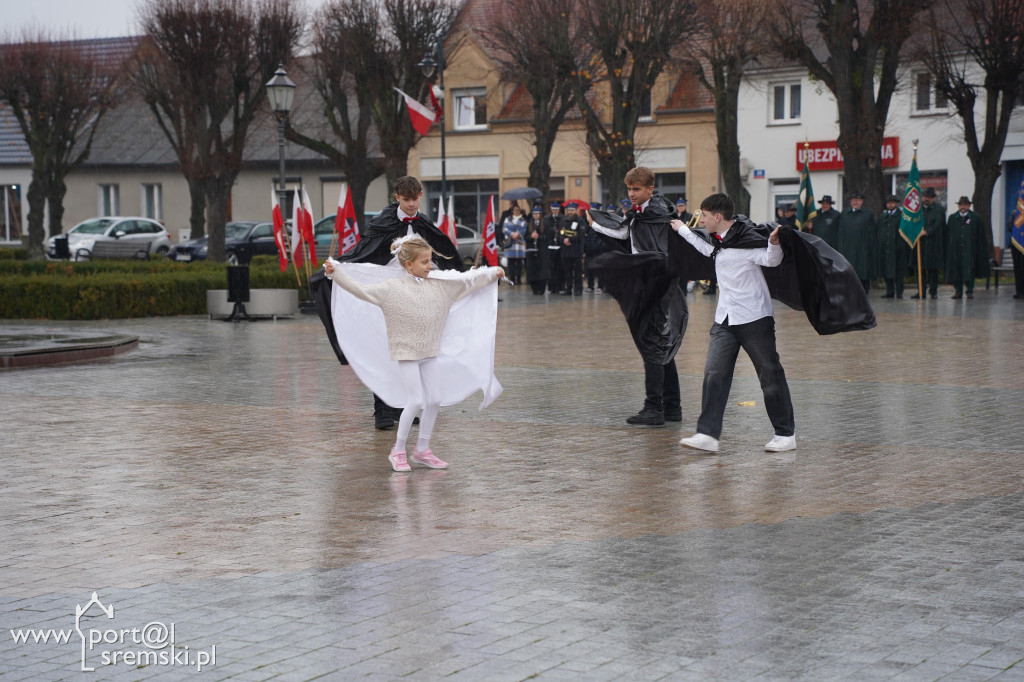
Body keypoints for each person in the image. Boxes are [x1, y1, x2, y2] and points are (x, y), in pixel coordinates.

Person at [323, 236, 504, 472]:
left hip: (429, 352)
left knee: (435, 399)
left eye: (430, 260)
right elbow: (360, 290)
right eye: (425, 261)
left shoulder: (440, 287)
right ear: (409, 265)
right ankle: (397, 451)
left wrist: (492, 274)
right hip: (407, 352)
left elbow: (466, 282)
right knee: (416, 399)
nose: (430, 265)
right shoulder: (391, 289)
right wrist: (335, 273)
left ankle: (422, 449)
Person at [312, 176, 463, 431]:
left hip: (413, 296)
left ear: (421, 196)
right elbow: (361, 252)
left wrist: (462, 276)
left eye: (415, 199)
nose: (412, 204)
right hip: (385, 293)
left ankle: (401, 405)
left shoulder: (423, 222)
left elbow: (441, 254)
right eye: (407, 200)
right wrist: (337, 267)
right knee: (382, 347)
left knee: (408, 349)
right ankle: (381, 408)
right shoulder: (383, 222)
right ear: (397, 199)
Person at [670, 193, 794, 453]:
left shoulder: (747, 240)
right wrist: (682, 229)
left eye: (703, 216)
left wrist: (773, 244)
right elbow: (708, 250)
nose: (700, 220)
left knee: (769, 375)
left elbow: (772, 260)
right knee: (714, 373)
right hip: (724, 320)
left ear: (717, 216)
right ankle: (708, 434)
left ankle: (785, 434)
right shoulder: (718, 243)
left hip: (755, 319)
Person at [585, 166, 685, 426]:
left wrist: (597, 225)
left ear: (650, 189)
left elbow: (656, 251)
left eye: (636, 189)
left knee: (651, 345)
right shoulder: (641, 215)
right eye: (629, 189)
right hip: (652, 285)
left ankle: (654, 408)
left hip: (656, 287)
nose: (631, 193)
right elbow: (624, 234)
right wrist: (596, 224)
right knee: (661, 344)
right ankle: (672, 406)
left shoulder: (655, 215)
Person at [945, 196, 989, 299]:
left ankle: (969, 291)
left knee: (969, 270)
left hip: (970, 249)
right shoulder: (952, 218)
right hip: (955, 250)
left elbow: (980, 235)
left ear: (969, 205)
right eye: (961, 205)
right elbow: (948, 234)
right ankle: (958, 291)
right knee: (956, 270)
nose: (963, 207)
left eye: (965, 205)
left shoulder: (975, 218)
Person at [837, 191, 876, 292]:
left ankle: (864, 292)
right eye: (853, 200)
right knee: (849, 271)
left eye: (857, 200)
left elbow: (872, 231)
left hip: (863, 247)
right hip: (848, 248)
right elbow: (841, 231)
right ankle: (850, 292)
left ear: (862, 201)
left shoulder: (868, 213)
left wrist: (870, 246)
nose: (855, 202)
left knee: (863, 271)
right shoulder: (845, 213)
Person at [877, 194, 911, 298]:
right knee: (887, 270)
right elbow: (879, 231)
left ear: (896, 204)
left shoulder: (902, 215)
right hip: (886, 247)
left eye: (892, 203)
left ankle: (899, 292)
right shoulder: (883, 216)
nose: (890, 205)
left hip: (898, 248)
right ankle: (890, 291)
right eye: (888, 203)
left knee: (898, 272)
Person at [914, 187, 945, 299]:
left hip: (933, 244)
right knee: (920, 269)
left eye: (929, 197)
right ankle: (920, 291)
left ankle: (933, 292)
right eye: (925, 196)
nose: (926, 199)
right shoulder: (918, 209)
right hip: (920, 244)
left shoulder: (939, 210)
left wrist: (926, 232)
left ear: (933, 198)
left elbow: (938, 224)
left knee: (932, 270)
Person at [525, 205, 552, 295]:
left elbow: (548, 237)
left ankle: (541, 288)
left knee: (542, 270)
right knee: (533, 270)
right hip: (532, 251)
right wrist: (531, 237)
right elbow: (525, 237)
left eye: (537, 214)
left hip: (542, 250)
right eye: (534, 214)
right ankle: (534, 288)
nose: (536, 215)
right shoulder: (529, 225)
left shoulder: (545, 224)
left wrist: (539, 237)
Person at [559, 202, 583, 295]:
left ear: (576, 211)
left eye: (572, 210)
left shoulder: (580, 221)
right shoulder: (564, 221)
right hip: (565, 250)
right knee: (567, 271)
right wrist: (563, 239)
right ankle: (568, 288)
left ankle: (578, 289)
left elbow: (580, 235)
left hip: (576, 250)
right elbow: (560, 233)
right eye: (569, 210)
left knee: (577, 271)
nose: (570, 212)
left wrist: (570, 239)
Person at [501, 203, 527, 285]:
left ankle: (518, 279)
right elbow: (504, 229)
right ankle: (511, 279)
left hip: (519, 245)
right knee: (510, 262)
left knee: (519, 262)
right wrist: (512, 234)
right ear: (512, 211)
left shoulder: (523, 220)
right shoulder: (507, 219)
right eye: (515, 210)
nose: (517, 211)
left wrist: (518, 234)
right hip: (510, 244)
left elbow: (524, 230)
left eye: (518, 210)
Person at [583, 203, 605, 293]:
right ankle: (590, 286)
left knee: (599, 269)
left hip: (599, 251)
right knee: (589, 269)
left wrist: (599, 247)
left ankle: (600, 286)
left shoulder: (602, 222)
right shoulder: (587, 222)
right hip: (589, 250)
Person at [545, 200, 564, 295]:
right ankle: (551, 287)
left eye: (557, 209)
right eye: (553, 209)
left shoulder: (563, 219)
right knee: (551, 268)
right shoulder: (547, 219)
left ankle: (560, 286)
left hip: (560, 246)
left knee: (560, 267)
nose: (555, 211)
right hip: (550, 245)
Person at [1009, 212, 1024, 300]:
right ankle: (1019, 292)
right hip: (1016, 246)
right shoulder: (1015, 214)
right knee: (1018, 269)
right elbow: (1009, 227)